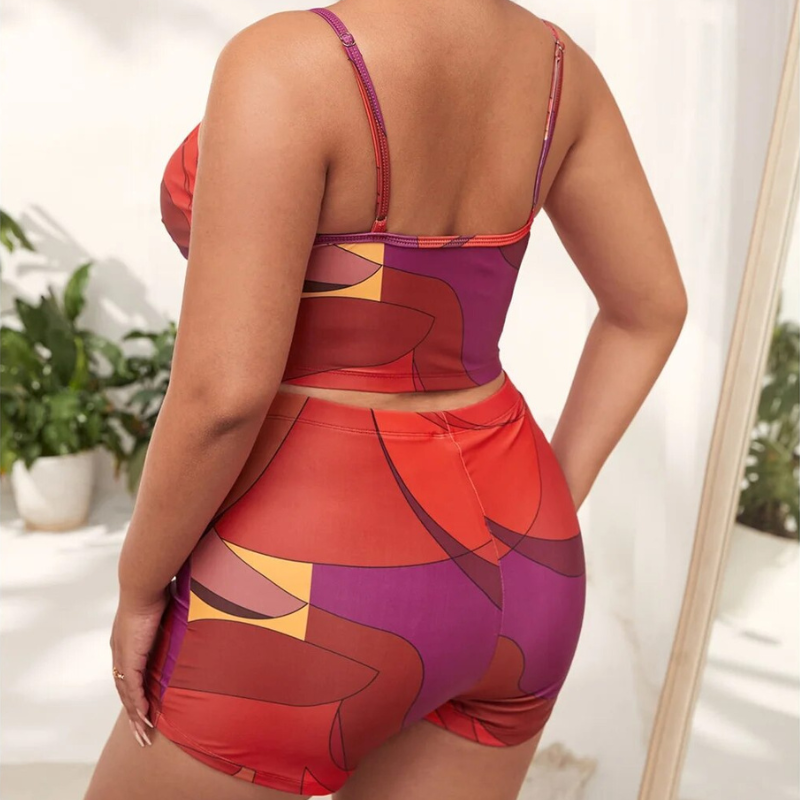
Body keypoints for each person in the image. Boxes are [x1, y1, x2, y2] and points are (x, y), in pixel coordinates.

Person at [84, 1, 687, 799]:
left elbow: (224, 395)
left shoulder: (285, 62)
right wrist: (541, 516)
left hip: (308, 567)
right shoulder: (559, 70)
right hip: (520, 569)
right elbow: (651, 309)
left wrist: (138, 587)